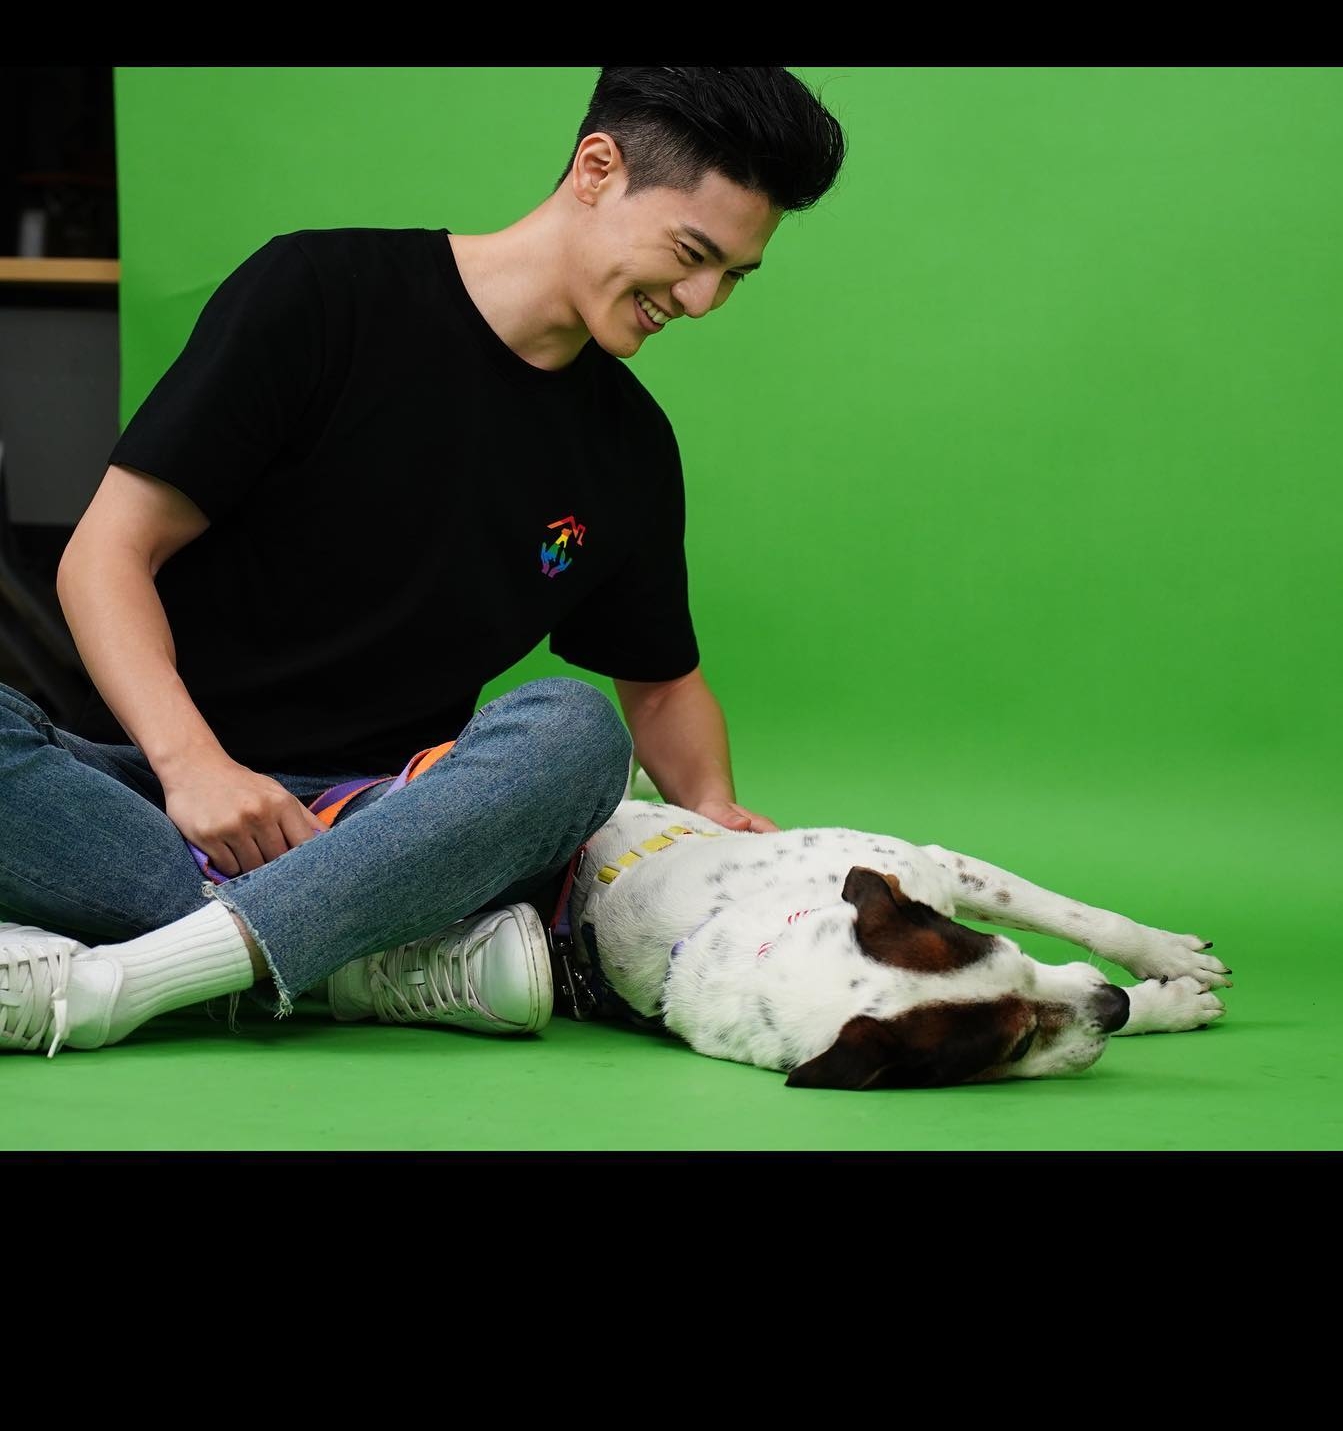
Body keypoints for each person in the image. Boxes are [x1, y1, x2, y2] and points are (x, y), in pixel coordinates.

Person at [0, 65, 847, 1057]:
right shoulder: (321, 293)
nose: (702, 300)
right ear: (596, 169)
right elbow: (109, 553)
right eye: (693, 253)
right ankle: (365, 959)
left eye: (734, 275)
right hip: (146, 794)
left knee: (578, 732)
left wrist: (708, 815)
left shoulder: (629, 451)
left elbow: (658, 687)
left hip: (395, 818)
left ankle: (157, 966)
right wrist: (197, 770)